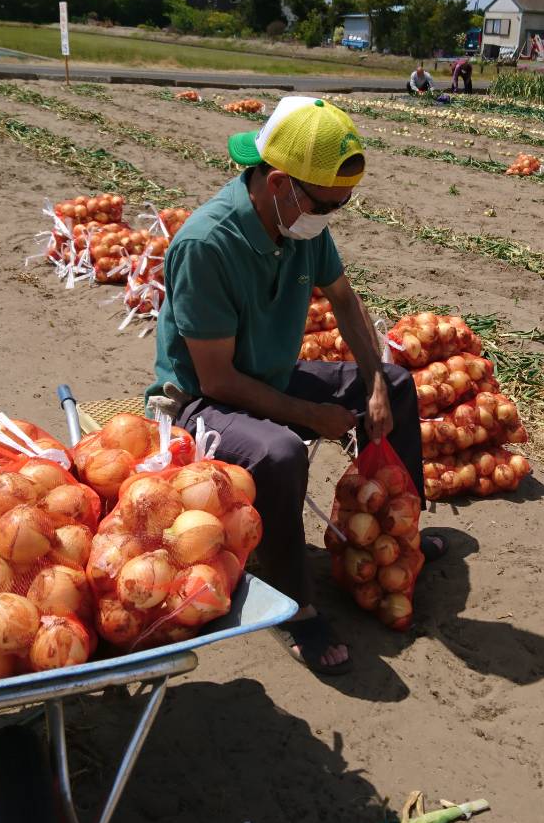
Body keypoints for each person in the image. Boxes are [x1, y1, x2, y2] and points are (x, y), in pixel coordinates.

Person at [146, 97, 444, 676]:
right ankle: (291, 600)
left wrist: (375, 381)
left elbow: (345, 300)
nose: (331, 217)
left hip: (271, 378)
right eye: (327, 204)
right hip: (198, 404)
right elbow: (217, 378)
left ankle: (398, 537)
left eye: (341, 205)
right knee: (280, 452)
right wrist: (310, 415)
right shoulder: (207, 244)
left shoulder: (298, 223)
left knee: (401, 386)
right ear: (279, 183)